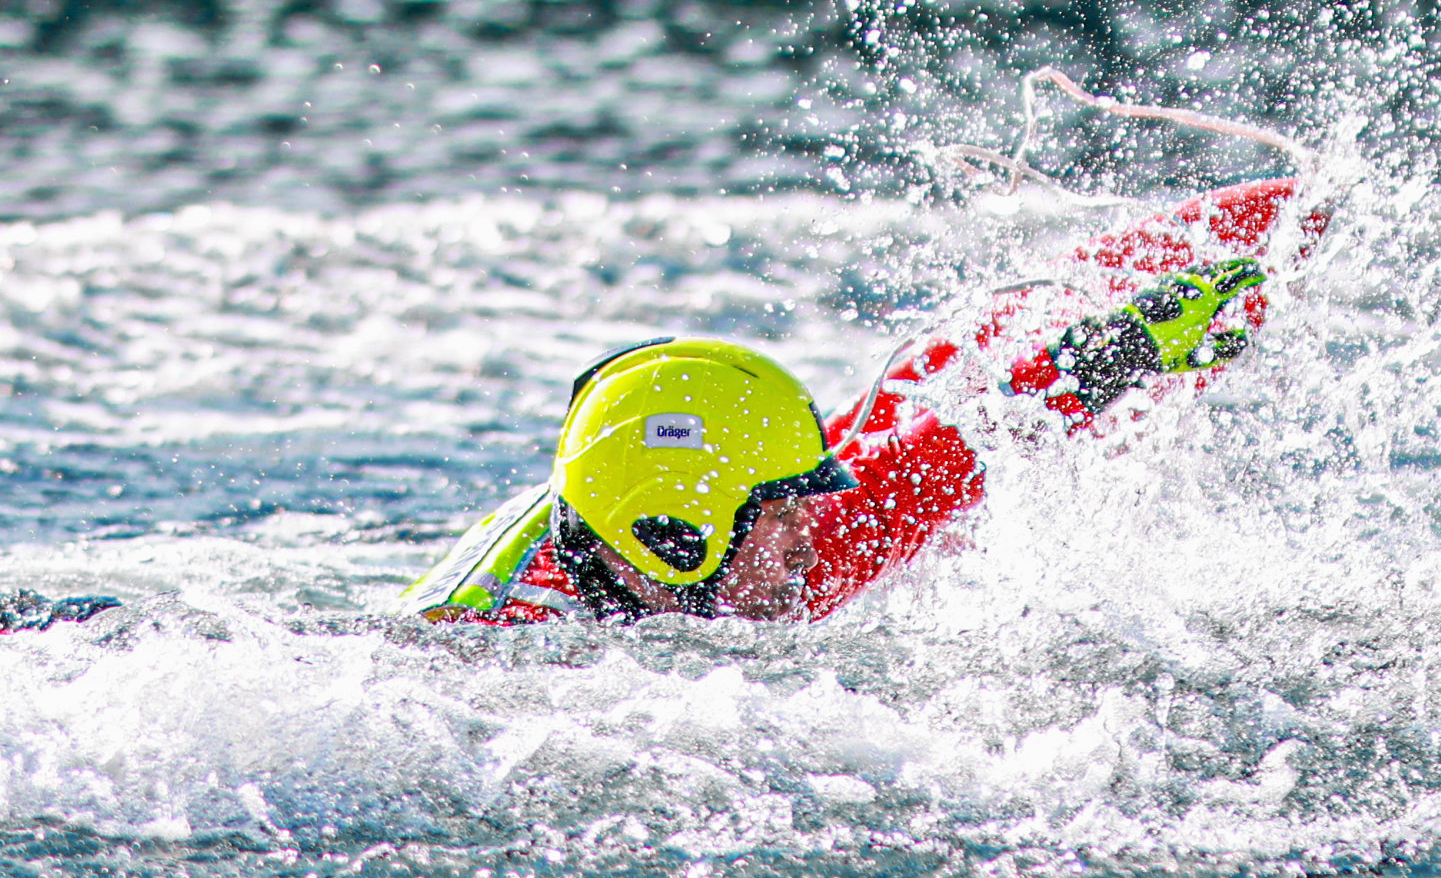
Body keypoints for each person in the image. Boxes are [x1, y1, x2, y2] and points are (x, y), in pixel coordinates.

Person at [396, 255, 1268, 625]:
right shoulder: (496, 655)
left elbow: (972, 441)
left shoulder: (743, 546)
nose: (810, 529)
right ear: (671, 536)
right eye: (780, 510)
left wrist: (1114, 350)